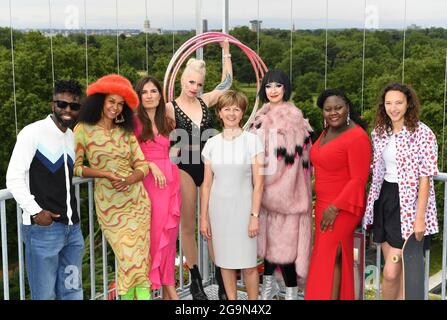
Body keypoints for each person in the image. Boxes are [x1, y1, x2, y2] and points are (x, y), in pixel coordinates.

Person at [73, 74, 151, 300]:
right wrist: (104, 174)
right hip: (110, 208)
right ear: (100, 101)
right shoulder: (83, 130)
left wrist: (130, 179)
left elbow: (142, 165)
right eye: (111, 102)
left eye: (120, 104)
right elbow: (76, 168)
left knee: (141, 261)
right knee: (128, 260)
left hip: (138, 203)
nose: (115, 108)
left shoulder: (124, 131)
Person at [166, 39, 233, 300]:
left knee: (213, 224)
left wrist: (226, 51)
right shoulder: (170, 108)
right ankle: (195, 281)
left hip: (208, 167)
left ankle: (220, 277)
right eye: (191, 82)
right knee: (188, 227)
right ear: (182, 80)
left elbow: (227, 83)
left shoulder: (206, 101)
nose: (195, 88)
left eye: (199, 83)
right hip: (184, 167)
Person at [6, 80, 84, 300]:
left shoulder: (71, 137)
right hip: (43, 231)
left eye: (74, 106)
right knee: (44, 295)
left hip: (72, 231)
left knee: (72, 291)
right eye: (62, 104)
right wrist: (35, 211)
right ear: (53, 105)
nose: (68, 110)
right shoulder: (32, 133)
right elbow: (14, 177)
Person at [364, 83, 438, 300]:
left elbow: (425, 179)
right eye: (388, 103)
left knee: (392, 272)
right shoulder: (379, 133)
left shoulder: (423, 133)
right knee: (394, 271)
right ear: (383, 105)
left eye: (398, 102)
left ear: (408, 104)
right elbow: (378, 169)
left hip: (409, 203)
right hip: (385, 199)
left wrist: (420, 218)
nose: (393, 108)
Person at [248, 70, 313, 300]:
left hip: (285, 194)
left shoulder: (293, 117)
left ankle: (291, 293)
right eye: (268, 86)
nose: (273, 90)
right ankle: (269, 287)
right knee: (267, 245)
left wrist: (275, 187)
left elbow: (294, 160)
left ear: (285, 88)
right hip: (261, 191)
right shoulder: (259, 117)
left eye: (277, 85)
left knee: (285, 249)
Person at [305, 89, 371, 300]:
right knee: (329, 258)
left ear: (348, 108)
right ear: (323, 112)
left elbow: (358, 180)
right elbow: (325, 168)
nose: (334, 113)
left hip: (344, 206)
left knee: (330, 256)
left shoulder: (357, 136)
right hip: (324, 203)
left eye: (338, 108)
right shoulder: (326, 132)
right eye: (328, 109)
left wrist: (335, 208)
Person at [200, 90, 264, 300]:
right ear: (219, 112)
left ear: (243, 113)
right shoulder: (211, 144)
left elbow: (259, 183)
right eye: (227, 109)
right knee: (225, 263)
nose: (231, 113)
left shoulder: (252, 141)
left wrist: (254, 217)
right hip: (219, 213)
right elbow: (207, 184)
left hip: (244, 212)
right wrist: (204, 218)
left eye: (236, 109)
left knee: (249, 266)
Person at [133, 76, 180, 300]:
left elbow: (174, 150)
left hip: (171, 181)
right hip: (149, 183)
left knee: (169, 238)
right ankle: (167, 289)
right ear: (139, 96)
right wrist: (150, 164)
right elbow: (128, 156)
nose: (150, 95)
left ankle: (167, 286)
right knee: (154, 237)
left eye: (154, 91)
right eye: (145, 92)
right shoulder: (133, 123)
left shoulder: (168, 121)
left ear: (160, 95)